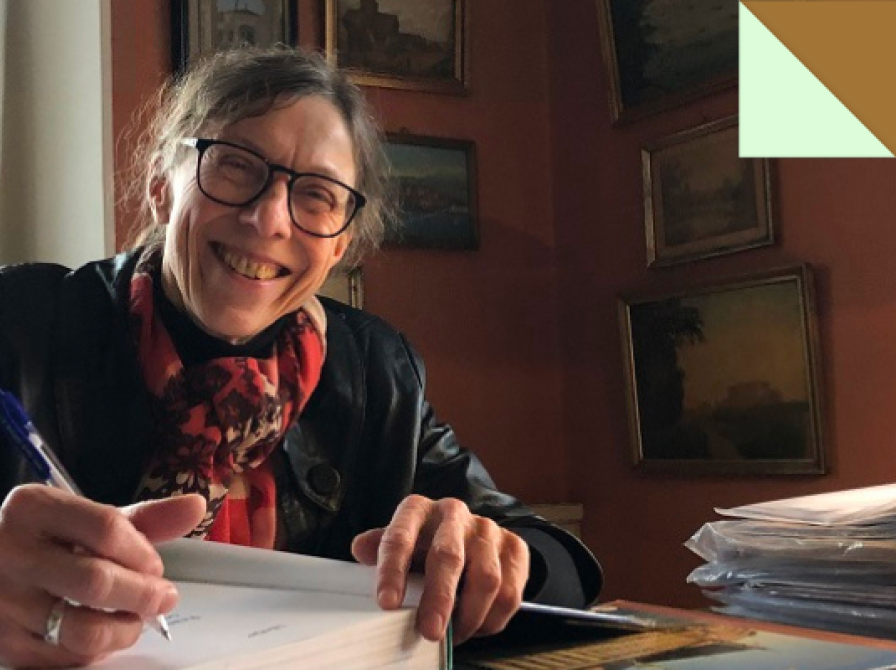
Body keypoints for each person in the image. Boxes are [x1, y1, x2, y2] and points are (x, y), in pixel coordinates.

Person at [0, 47, 601, 668]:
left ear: (340, 245)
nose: (268, 219)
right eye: (235, 165)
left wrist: (492, 556)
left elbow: (556, 568)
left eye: (317, 195)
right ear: (161, 186)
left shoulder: (375, 370)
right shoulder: (20, 323)